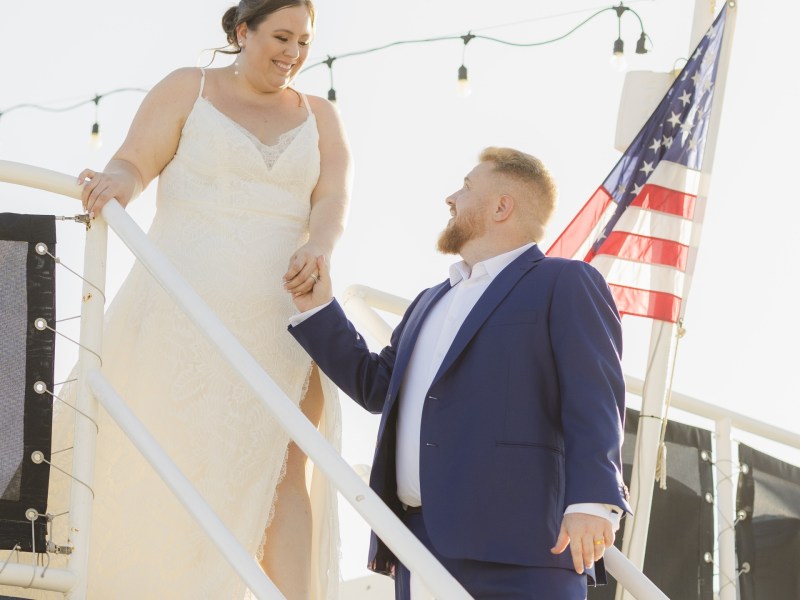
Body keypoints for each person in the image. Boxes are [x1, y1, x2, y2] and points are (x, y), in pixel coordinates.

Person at [20, 1, 351, 599]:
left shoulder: (321, 116)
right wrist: (117, 181)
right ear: (241, 31)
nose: (294, 54)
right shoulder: (187, 87)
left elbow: (331, 199)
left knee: (284, 468)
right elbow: (134, 161)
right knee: (150, 450)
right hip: (181, 305)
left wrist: (321, 245)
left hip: (282, 314)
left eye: (304, 42)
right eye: (281, 37)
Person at [287, 147, 631, 599]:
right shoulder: (429, 300)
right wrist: (318, 310)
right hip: (417, 544)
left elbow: (595, 395)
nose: (451, 197)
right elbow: (378, 387)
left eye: (466, 187)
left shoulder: (565, 282)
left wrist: (592, 501)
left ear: (501, 206)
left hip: (522, 552)